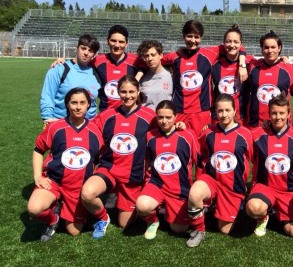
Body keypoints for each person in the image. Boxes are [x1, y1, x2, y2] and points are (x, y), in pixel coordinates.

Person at [81, 75, 156, 239]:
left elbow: (164, 134)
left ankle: (127, 198)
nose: (127, 95)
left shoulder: (149, 116)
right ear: (117, 92)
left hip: (134, 175)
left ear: (138, 92)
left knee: (124, 223)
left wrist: (180, 126)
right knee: (87, 193)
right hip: (109, 169)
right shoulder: (106, 115)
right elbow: (88, 132)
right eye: (123, 91)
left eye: (131, 91)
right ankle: (103, 217)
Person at [27, 87, 103, 241]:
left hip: (77, 186)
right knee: (34, 209)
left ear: (89, 104)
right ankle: (53, 219)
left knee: (74, 231)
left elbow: (102, 159)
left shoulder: (96, 130)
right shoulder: (55, 127)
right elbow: (38, 150)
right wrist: (37, 176)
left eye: (82, 102)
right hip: (54, 181)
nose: (78, 106)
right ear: (67, 104)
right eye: (73, 102)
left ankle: (63, 206)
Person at [186, 94, 253, 247]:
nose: (224, 114)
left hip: (232, 187)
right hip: (212, 181)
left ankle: (238, 205)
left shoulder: (245, 134)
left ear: (235, 111)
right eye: (220, 111)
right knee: (194, 193)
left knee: (225, 230)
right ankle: (199, 230)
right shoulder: (208, 132)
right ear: (215, 112)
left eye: (227, 110)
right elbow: (200, 154)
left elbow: (254, 159)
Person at [162, 19, 246, 138]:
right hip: (180, 112)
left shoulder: (208, 54)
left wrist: (242, 64)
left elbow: (238, 47)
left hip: (202, 113)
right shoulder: (174, 56)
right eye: (189, 36)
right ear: (183, 36)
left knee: (202, 147)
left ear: (201, 38)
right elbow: (155, 60)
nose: (192, 40)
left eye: (196, 37)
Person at [136, 100, 202, 242]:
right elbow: (146, 162)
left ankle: (170, 209)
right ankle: (153, 220)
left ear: (176, 117)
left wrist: (198, 187)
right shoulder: (150, 136)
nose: (164, 121)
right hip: (157, 184)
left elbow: (199, 161)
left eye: (168, 117)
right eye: (160, 117)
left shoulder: (187, 135)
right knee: (142, 206)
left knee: (178, 229)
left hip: (180, 188)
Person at [245, 93, 293, 238]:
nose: (278, 117)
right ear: (269, 114)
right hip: (265, 187)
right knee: (253, 208)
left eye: (281, 113)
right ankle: (263, 215)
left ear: (288, 114)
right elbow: (238, 134)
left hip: (288, 191)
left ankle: (277, 211)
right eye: (274, 113)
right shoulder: (258, 134)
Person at [40, 34, 101, 125]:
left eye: (90, 51)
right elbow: (47, 96)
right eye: (83, 48)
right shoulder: (59, 68)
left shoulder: (96, 73)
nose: (86, 53)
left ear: (94, 54)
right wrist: (48, 117)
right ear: (77, 48)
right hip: (61, 123)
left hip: (88, 125)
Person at [242, 30, 293, 128]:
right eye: (266, 47)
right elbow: (237, 51)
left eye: (273, 47)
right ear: (261, 49)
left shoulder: (288, 69)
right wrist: (241, 63)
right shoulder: (252, 66)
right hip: (255, 124)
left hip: (280, 125)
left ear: (279, 48)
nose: (270, 51)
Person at [211, 24, 252, 123]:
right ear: (223, 43)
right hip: (219, 117)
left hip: (241, 117)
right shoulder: (215, 64)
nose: (232, 45)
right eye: (228, 41)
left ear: (241, 44)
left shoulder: (249, 62)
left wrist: (282, 59)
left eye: (236, 42)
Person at [137, 40, 173, 110]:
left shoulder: (171, 74)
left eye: (153, 55)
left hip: (164, 118)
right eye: (146, 56)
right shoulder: (141, 77)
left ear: (161, 55)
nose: (150, 59)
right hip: (147, 117)